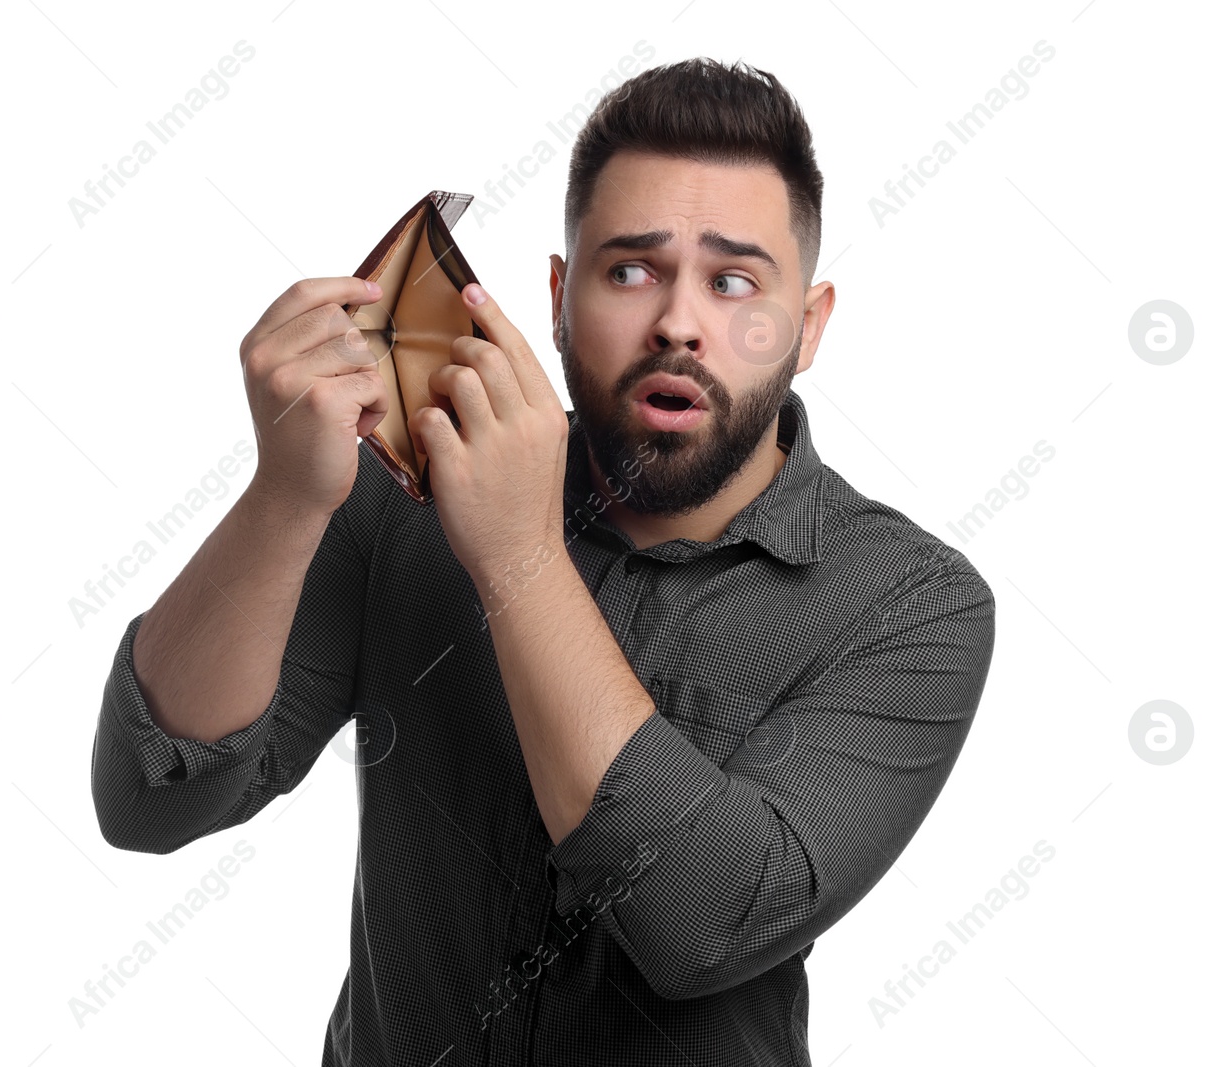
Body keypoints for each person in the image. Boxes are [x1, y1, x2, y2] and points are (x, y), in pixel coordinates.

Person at [90, 56, 995, 1066]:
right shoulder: (398, 498)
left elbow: (704, 926)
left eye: (733, 280)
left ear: (808, 325)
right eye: (630, 270)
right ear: (558, 299)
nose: (678, 323)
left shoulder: (909, 602)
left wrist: (517, 552)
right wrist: (285, 496)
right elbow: (151, 798)